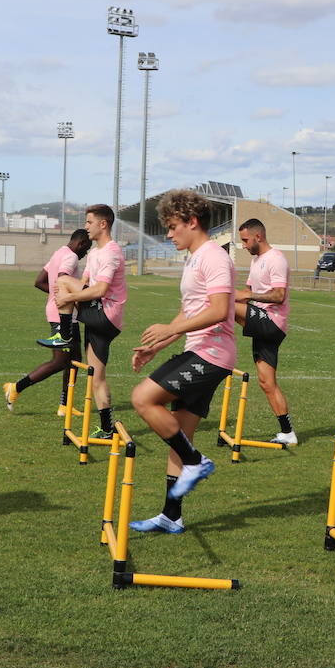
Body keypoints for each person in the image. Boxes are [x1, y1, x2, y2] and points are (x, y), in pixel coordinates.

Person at [127, 190, 235, 534]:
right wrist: (161, 342)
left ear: (192, 221)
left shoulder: (213, 257)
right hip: (199, 349)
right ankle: (171, 515)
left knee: (142, 399)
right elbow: (190, 312)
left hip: (211, 354)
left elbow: (219, 310)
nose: (169, 234)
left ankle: (195, 462)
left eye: (173, 227)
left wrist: (169, 332)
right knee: (179, 432)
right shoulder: (195, 258)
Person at [47, 205, 126, 438]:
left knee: (63, 282)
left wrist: (68, 296)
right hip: (99, 319)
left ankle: (63, 335)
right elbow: (84, 282)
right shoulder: (93, 253)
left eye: (89, 222)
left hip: (105, 313)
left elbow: (100, 289)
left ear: (103, 224)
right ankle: (106, 428)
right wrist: (70, 296)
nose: (86, 227)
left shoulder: (111, 252)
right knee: (96, 375)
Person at [4, 228, 91, 411]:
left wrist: (55, 296)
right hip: (63, 315)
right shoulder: (71, 257)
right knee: (60, 362)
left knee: (74, 360)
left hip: (59, 312)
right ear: (81, 243)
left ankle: (65, 405)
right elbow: (62, 281)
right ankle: (16, 387)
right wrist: (72, 299)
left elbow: (39, 281)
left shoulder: (59, 252)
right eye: (87, 248)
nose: (86, 253)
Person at [234, 218, 296, 445]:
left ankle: (212, 341)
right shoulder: (257, 260)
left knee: (225, 306)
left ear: (258, 237)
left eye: (245, 240)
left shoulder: (276, 259)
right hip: (260, 321)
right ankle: (288, 432)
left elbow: (279, 296)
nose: (243, 245)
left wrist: (244, 297)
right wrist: (236, 294)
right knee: (266, 381)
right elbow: (247, 291)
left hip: (272, 322)